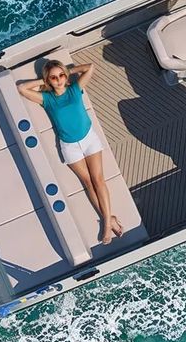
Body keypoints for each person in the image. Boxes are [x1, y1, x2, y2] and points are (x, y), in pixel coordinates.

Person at [18, 59, 124, 242]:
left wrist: (67, 71)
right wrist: (43, 82)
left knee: (98, 180)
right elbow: (22, 89)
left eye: (60, 76)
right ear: (48, 80)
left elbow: (90, 67)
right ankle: (110, 217)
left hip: (89, 139)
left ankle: (107, 223)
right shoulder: (47, 99)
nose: (58, 80)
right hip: (70, 146)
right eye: (53, 78)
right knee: (88, 183)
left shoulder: (75, 90)